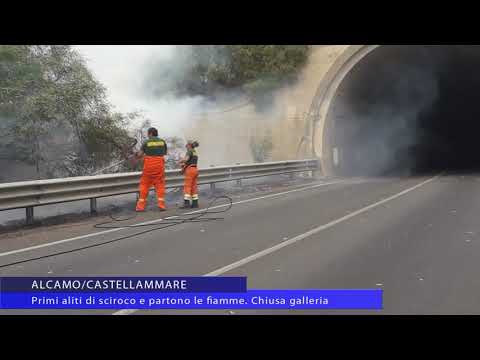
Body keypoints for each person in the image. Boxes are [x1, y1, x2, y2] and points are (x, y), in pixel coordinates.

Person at [135, 127, 168, 212]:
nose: (147, 135)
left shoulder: (147, 142)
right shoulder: (162, 142)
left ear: (150, 133)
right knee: (160, 185)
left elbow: (139, 155)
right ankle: (161, 205)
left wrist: (136, 154)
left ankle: (140, 207)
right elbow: (164, 153)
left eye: (148, 134)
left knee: (144, 185)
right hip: (159, 165)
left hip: (149, 166)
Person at [179, 140, 199, 209]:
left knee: (187, 187)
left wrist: (181, 161)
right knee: (194, 187)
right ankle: (195, 203)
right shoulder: (194, 152)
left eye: (187, 145)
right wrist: (183, 168)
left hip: (190, 170)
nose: (186, 146)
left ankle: (186, 203)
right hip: (195, 170)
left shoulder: (189, 151)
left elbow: (186, 160)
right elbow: (189, 162)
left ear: (189, 145)